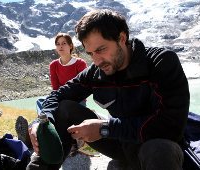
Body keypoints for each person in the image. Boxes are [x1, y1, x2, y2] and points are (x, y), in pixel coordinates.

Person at [27, 9, 190, 170]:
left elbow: (171, 126)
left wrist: (105, 128)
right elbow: (58, 95)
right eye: (90, 53)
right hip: (120, 144)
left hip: (154, 145)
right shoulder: (97, 71)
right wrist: (41, 123)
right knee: (65, 108)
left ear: (121, 38)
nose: (96, 61)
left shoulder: (160, 62)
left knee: (160, 148)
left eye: (100, 50)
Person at [15, 33, 87, 150]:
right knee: (41, 101)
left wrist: (63, 99)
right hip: (60, 97)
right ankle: (36, 130)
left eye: (64, 43)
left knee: (59, 110)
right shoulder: (54, 65)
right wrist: (57, 99)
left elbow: (82, 88)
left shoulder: (80, 63)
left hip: (76, 100)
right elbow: (55, 88)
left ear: (70, 46)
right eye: (58, 44)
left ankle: (36, 131)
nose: (61, 46)